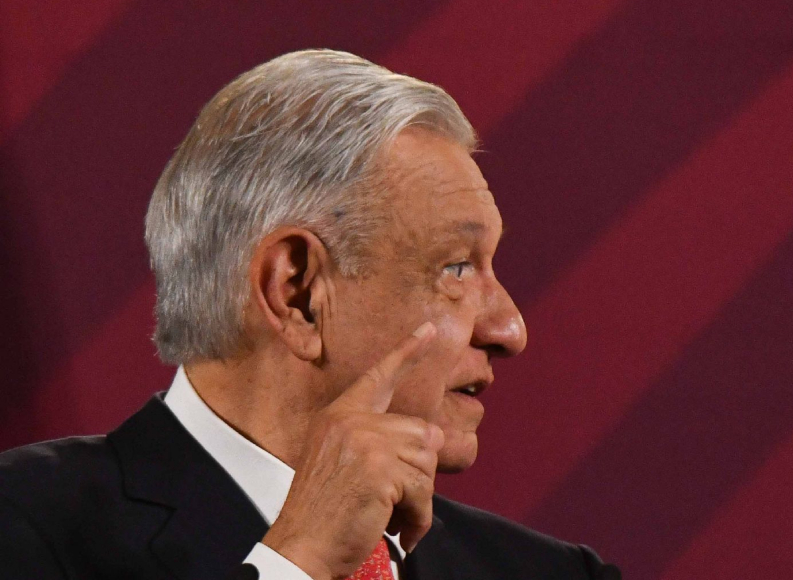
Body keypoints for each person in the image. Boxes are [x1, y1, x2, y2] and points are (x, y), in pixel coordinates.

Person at [0, 49, 619, 580]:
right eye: (456, 268)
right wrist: (298, 563)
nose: (509, 329)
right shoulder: (22, 528)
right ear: (297, 293)